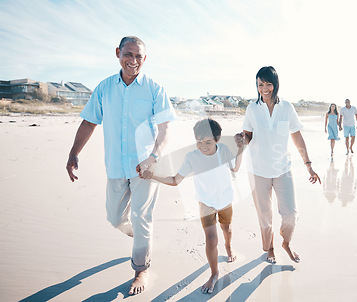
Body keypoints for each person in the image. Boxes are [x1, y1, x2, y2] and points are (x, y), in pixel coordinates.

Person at [65, 36, 176, 296]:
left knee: (142, 217)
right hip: (115, 165)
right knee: (115, 217)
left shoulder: (154, 88)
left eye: (139, 56)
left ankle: (141, 269)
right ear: (118, 53)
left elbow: (166, 126)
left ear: (144, 59)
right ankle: (137, 235)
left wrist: (154, 156)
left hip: (146, 167)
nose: (133, 60)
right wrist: (73, 152)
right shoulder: (104, 88)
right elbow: (90, 121)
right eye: (128, 54)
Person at [142, 118, 244, 294]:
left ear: (217, 140)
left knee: (226, 229)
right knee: (211, 239)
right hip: (205, 203)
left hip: (225, 199)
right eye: (199, 142)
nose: (203, 146)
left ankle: (228, 246)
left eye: (208, 142)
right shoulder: (191, 157)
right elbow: (175, 180)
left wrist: (241, 148)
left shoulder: (224, 151)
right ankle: (214, 274)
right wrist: (153, 175)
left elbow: (235, 168)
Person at [241, 66, 321, 264]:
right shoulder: (252, 109)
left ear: (275, 84)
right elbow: (247, 136)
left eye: (268, 84)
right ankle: (269, 248)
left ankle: (286, 242)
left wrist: (308, 165)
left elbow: (297, 136)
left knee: (290, 213)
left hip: (282, 169)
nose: (264, 88)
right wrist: (240, 140)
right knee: (265, 216)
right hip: (258, 170)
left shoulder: (287, 108)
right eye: (260, 84)